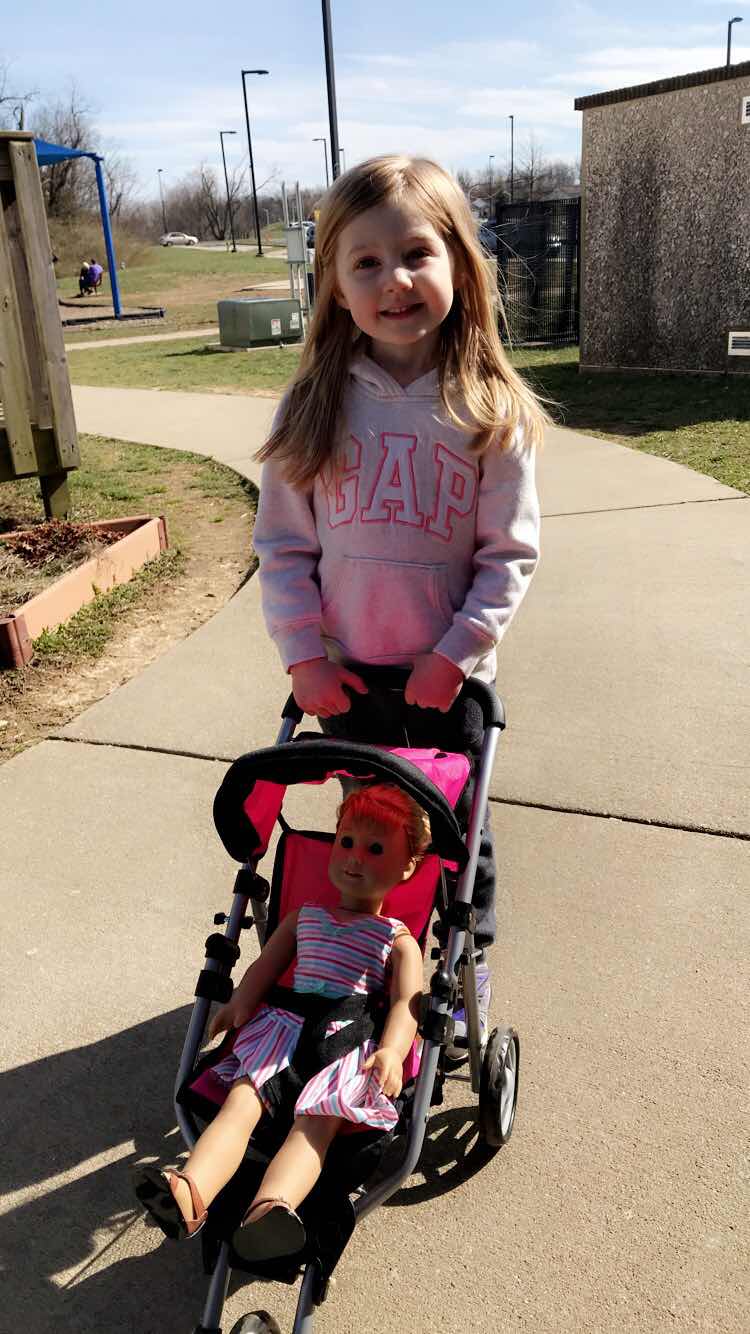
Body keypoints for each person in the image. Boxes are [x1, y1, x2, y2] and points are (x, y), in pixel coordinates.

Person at [252, 155, 548, 1059]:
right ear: (336, 287)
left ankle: (459, 971)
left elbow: (508, 555)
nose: (395, 281)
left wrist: (456, 651)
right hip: (348, 681)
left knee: (456, 844)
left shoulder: (489, 411)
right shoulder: (313, 406)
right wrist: (304, 655)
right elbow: (284, 549)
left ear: (460, 264)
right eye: (367, 263)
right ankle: (369, 963)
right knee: (367, 836)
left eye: (417, 254)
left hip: (448, 684)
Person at [135, 783, 428, 1261]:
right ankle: (189, 1192)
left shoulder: (397, 939)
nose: (354, 858)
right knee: (240, 1104)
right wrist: (239, 1004)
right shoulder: (302, 917)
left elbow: (405, 1003)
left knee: (315, 1125)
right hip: (282, 1027)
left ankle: (273, 1210)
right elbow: (264, 967)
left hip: (347, 1039)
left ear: (408, 867)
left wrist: (393, 1051)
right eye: (346, 842)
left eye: (375, 850)